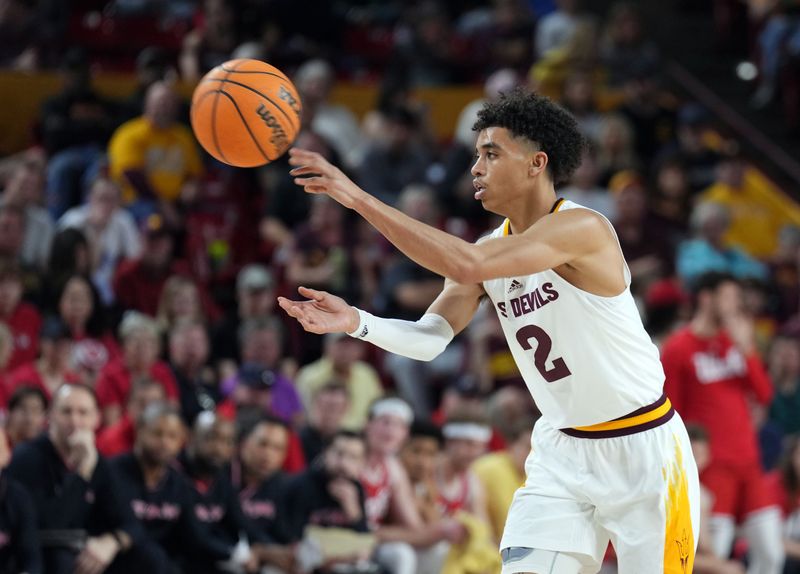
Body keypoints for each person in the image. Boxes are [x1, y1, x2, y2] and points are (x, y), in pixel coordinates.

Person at [280, 88, 700, 574]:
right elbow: (430, 338)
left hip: (644, 450)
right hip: (561, 453)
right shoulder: (488, 249)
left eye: (491, 154)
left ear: (536, 163)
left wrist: (356, 198)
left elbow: (468, 262)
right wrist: (357, 321)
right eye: (476, 155)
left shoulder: (583, 228)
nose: (476, 168)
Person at [661, 272, 785, 573]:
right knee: (715, 556)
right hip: (713, 467)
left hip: (750, 462)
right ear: (706, 298)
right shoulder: (678, 348)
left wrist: (748, 350)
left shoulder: (737, 342)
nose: (735, 305)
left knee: (771, 553)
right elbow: (669, 409)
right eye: (728, 297)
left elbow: (765, 394)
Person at [5, 384, 143, 574]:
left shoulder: (99, 462)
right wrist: (83, 473)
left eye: (83, 413)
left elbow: (131, 523)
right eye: (66, 412)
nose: (75, 421)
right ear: (50, 416)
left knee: (147, 557)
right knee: (62, 559)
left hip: (82, 550)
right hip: (39, 553)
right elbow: (52, 525)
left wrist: (111, 542)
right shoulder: (27, 458)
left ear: (97, 419)